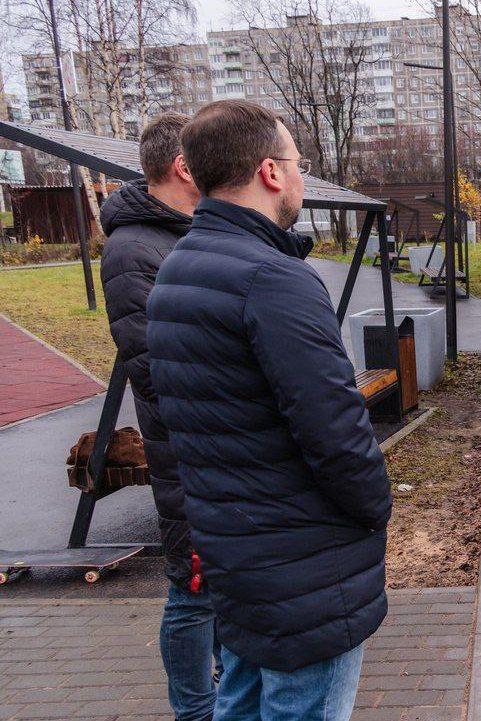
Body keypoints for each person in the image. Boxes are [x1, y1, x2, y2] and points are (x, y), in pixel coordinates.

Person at [147, 99, 391, 721]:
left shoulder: (177, 270)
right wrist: (375, 507)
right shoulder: (274, 280)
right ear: (270, 172)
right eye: (296, 162)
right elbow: (336, 432)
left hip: (238, 555)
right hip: (303, 569)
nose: (301, 176)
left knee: (242, 704)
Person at [99, 111, 219, 721]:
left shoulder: (182, 232)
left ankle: (221, 696)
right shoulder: (132, 250)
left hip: (213, 449)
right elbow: (153, 364)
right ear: (182, 167)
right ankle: (195, 710)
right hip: (185, 452)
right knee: (192, 588)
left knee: (217, 583)